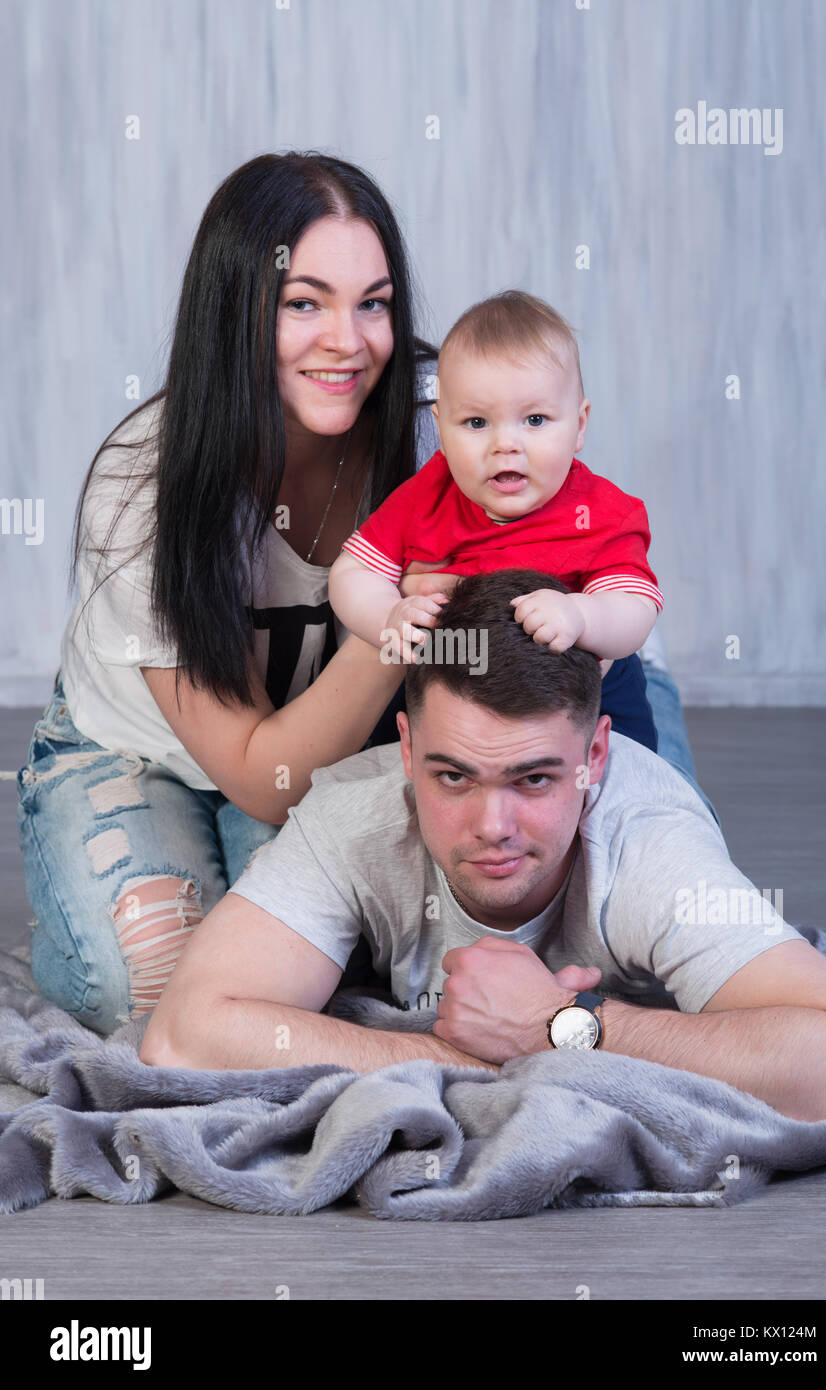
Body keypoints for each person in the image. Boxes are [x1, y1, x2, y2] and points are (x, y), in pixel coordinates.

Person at [16, 149, 711, 1039]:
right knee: (154, 992)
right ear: (235, 310)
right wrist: (396, 631)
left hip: (360, 738)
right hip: (165, 752)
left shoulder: (447, 419)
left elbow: (593, 553)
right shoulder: (145, 486)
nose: (348, 341)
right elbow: (263, 779)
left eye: (373, 303)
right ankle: (87, 884)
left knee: (393, 960)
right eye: (304, 303)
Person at [139, 570, 826, 1123]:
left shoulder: (647, 842)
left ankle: (637, 668)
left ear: (593, 759)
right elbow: (182, 1035)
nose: (492, 824)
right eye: (452, 775)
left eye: (533, 778)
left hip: (626, 756)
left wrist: (557, 1027)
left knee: (648, 726)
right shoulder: (354, 811)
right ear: (405, 750)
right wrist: (474, 1057)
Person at [331, 290, 662, 716]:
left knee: (621, 768)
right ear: (441, 430)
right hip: (451, 681)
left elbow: (636, 610)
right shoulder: (426, 496)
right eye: (476, 422)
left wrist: (581, 614)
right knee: (392, 743)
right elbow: (353, 571)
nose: (505, 444)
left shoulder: (604, 514)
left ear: (579, 427)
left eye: (535, 420)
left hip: (581, 693)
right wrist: (388, 616)